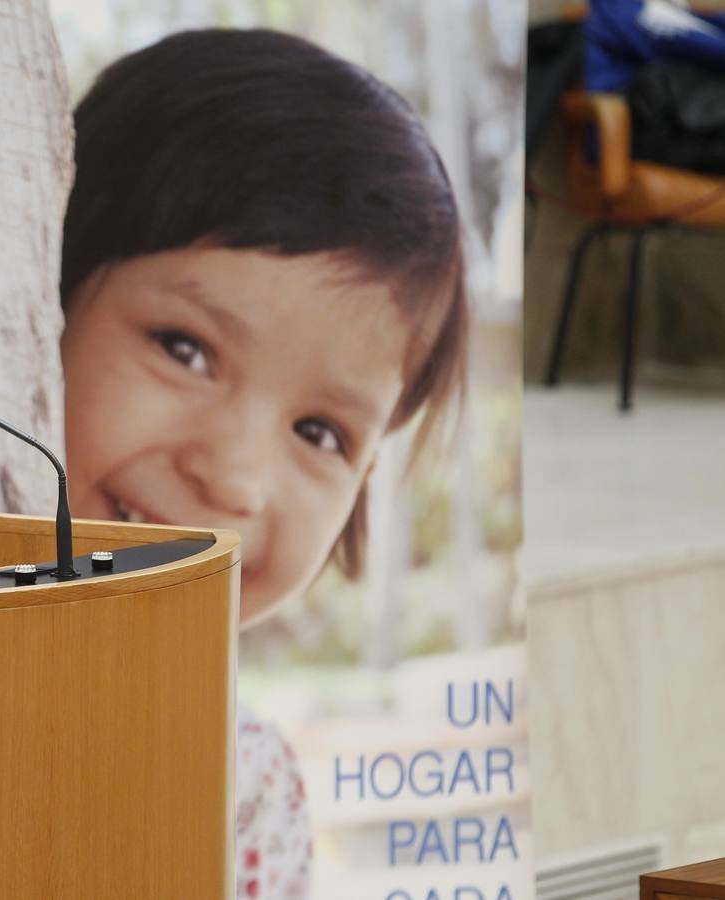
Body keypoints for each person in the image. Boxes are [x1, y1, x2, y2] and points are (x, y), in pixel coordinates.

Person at [58, 30, 469, 899]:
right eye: (185, 348)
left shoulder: (249, 790)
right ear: (43, 300)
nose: (236, 479)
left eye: (321, 433)